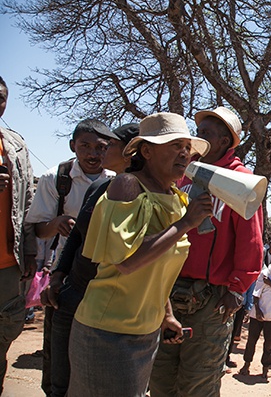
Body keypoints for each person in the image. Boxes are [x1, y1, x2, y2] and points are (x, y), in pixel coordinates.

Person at [66, 113, 212, 397]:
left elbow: (157, 269)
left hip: (145, 333)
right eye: (174, 145)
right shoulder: (128, 186)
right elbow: (127, 262)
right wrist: (184, 224)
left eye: (187, 147)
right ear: (146, 151)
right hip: (107, 333)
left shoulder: (176, 198)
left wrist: (166, 315)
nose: (184, 153)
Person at [149, 107, 264, 397]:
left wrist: (236, 289)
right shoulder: (184, 172)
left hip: (212, 299)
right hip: (167, 290)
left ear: (225, 142)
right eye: (198, 133)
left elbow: (251, 242)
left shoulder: (241, 182)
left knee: (198, 383)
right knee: (160, 375)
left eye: (206, 135)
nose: (198, 139)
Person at [40, 123, 139, 397]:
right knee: (57, 383)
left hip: (103, 307)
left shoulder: (145, 195)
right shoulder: (100, 186)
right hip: (71, 295)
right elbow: (76, 237)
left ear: (131, 152)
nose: (104, 148)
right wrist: (59, 275)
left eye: (111, 144)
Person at [25, 117, 116, 395]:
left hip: (99, 277)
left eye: (101, 148)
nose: (93, 154)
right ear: (72, 146)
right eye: (86, 146)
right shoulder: (57, 178)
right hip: (62, 276)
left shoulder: (116, 181)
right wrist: (59, 223)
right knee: (58, 353)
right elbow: (38, 229)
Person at [0, 76, 37, 395]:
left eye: (1, 97)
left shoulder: (16, 145)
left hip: (7, 263)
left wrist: (29, 253)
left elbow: (25, 204)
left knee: (6, 331)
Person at [239, 248, 271, 379]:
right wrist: (257, 310)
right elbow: (256, 293)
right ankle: (246, 364)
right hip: (258, 313)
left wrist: (270, 283)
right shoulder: (264, 273)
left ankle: (265, 368)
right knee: (251, 341)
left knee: (269, 343)